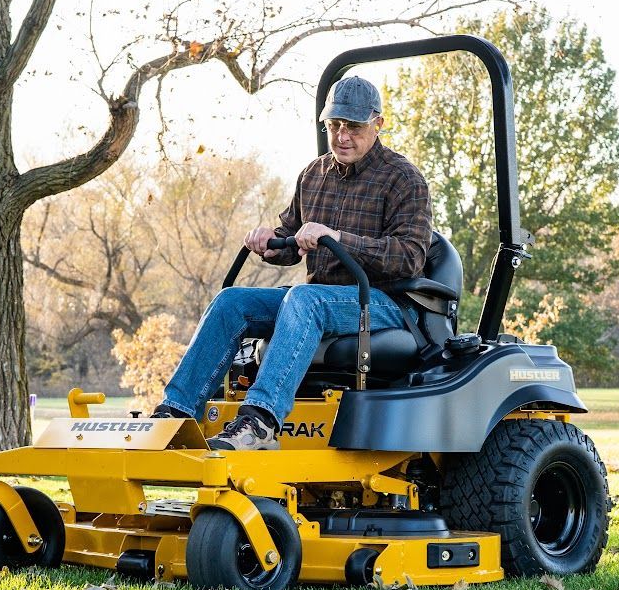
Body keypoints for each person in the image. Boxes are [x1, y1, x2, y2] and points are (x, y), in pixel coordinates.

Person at [153, 76, 432, 450]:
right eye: (335, 125)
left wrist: (336, 238)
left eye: (354, 126)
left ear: (378, 124)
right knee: (231, 302)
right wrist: (267, 240)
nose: (342, 136)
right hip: (320, 298)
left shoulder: (404, 179)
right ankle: (175, 414)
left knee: (304, 298)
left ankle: (260, 423)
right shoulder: (313, 175)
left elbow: (410, 257)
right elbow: (290, 241)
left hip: (383, 302)